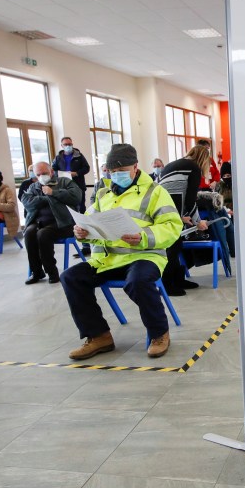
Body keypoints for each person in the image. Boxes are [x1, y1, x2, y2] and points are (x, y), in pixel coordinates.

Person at [62, 143, 183, 360]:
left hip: (145, 256)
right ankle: (99, 336)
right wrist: (83, 232)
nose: (117, 175)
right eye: (113, 172)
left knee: (138, 281)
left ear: (135, 167)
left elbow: (173, 227)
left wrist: (143, 237)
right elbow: (91, 223)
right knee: (71, 277)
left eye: (122, 171)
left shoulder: (155, 192)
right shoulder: (102, 194)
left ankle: (159, 333)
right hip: (108, 259)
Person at [159, 144, 210, 295]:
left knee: (176, 245)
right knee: (172, 248)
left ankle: (178, 280)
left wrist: (181, 217)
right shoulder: (194, 168)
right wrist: (198, 221)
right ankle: (168, 285)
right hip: (170, 211)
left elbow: (170, 192)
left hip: (163, 208)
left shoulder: (174, 164)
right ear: (203, 159)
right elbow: (190, 200)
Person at [21, 161, 83, 284]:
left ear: (51, 172)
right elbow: (26, 201)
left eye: (44, 173)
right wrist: (47, 198)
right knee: (29, 233)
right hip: (39, 221)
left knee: (43, 234)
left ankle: (52, 272)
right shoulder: (34, 187)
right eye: (38, 175)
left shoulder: (64, 182)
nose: (41, 177)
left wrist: (53, 193)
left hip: (63, 223)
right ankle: (37, 272)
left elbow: (76, 197)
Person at [51, 137, 90, 213]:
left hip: (79, 185)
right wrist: (60, 174)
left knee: (81, 206)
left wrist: (76, 173)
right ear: (62, 145)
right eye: (65, 144)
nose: (68, 146)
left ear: (72, 144)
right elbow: (53, 169)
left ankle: (82, 223)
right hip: (64, 186)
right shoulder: (58, 158)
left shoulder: (79, 156)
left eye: (70, 144)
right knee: (68, 207)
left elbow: (86, 168)